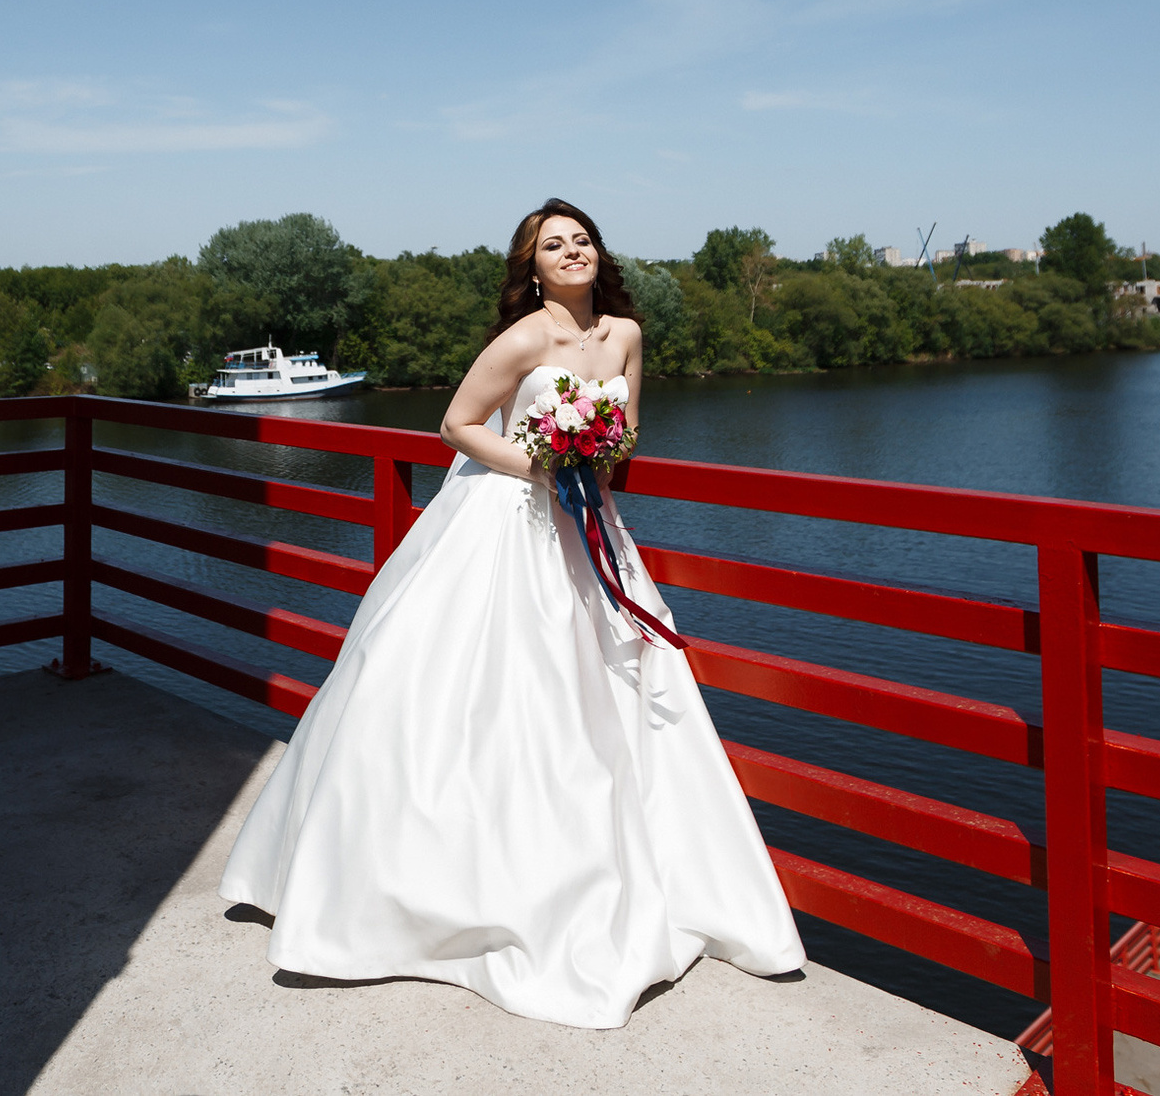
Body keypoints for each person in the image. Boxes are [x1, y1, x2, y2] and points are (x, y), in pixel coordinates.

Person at [219, 198, 803, 1028]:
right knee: (488, 690)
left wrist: (596, 449)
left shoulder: (627, 335)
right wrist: (541, 462)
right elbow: (456, 424)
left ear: (600, 253)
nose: (572, 252)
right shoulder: (523, 339)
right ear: (533, 270)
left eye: (582, 239)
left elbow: (629, 432)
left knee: (613, 689)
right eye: (552, 245)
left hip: (588, 525)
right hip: (505, 521)